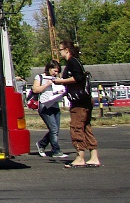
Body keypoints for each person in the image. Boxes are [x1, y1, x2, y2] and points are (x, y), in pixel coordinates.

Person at [55, 40, 101, 168]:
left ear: (66, 50)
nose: (60, 52)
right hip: (85, 100)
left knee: (76, 126)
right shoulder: (76, 61)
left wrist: (62, 81)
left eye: (60, 50)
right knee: (86, 126)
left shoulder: (72, 62)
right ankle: (93, 156)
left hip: (78, 101)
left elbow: (78, 78)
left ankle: (80, 156)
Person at [31, 60, 69, 158]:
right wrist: (47, 84)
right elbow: (35, 89)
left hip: (54, 104)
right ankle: (56, 150)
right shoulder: (40, 77)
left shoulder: (57, 78)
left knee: (55, 129)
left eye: (57, 71)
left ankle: (41, 144)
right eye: (54, 71)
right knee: (53, 128)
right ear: (49, 68)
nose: (55, 73)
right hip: (45, 105)